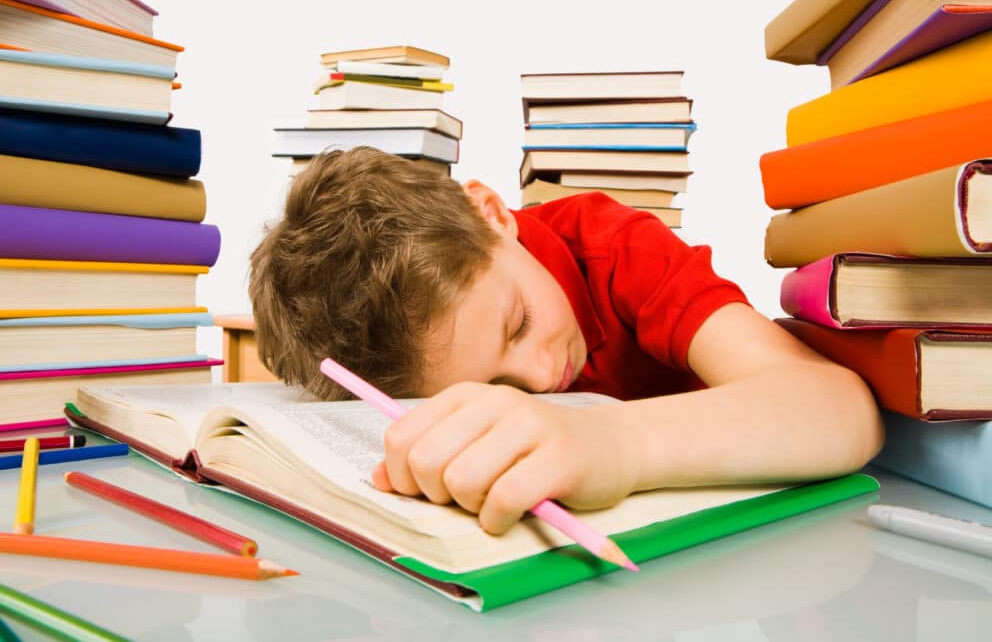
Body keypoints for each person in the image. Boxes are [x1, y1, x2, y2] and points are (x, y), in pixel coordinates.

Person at [249, 147, 883, 536]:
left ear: (491, 214)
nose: (542, 374)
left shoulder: (614, 247)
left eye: (518, 323)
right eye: (488, 390)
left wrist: (612, 443)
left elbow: (841, 409)